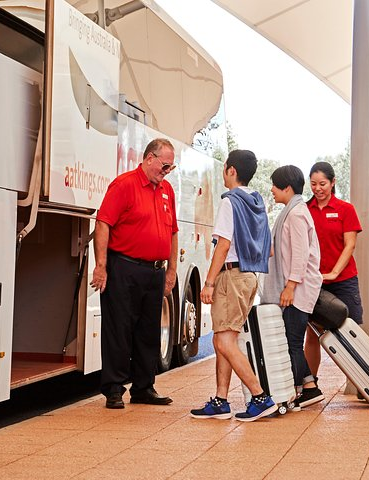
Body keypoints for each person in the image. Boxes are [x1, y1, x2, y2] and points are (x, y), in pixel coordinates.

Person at [90, 138, 178, 409]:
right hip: (124, 268)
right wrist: (101, 265)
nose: (166, 171)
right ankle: (114, 389)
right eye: (164, 165)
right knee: (119, 329)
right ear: (149, 158)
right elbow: (103, 223)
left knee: (148, 331)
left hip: (154, 272)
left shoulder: (167, 191)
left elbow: (173, 231)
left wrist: (172, 270)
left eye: (170, 167)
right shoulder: (124, 185)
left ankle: (143, 387)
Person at [190, 149, 277, 422]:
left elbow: (223, 244)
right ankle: (220, 400)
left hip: (231, 275)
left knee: (223, 340)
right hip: (250, 276)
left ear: (231, 171)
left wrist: (209, 282)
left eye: (224, 167)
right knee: (225, 340)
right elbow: (269, 250)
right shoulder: (257, 203)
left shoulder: (230, 202)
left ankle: (260, 397)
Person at [260, 165, 324, 409]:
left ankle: (304, 389)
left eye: (275, 185)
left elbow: (300, 255)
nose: (272, 190)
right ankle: (307, 387)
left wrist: (290, 287)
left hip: (297, 289)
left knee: (292, 342)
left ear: (287, 188)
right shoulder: (294, 210)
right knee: (291, 340)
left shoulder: (296, 213)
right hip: (295, 287)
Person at [304, 161, 363, 377]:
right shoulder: (305, 210)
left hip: (344, 280)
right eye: (313, 184)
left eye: (322, 184)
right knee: (313, 335)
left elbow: (350, 245)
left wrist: (334, 273)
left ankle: (364, 382)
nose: (318, 189)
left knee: (352, 332)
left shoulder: (345, 209)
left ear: (333, 182)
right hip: (315, 283)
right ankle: (311, 386)